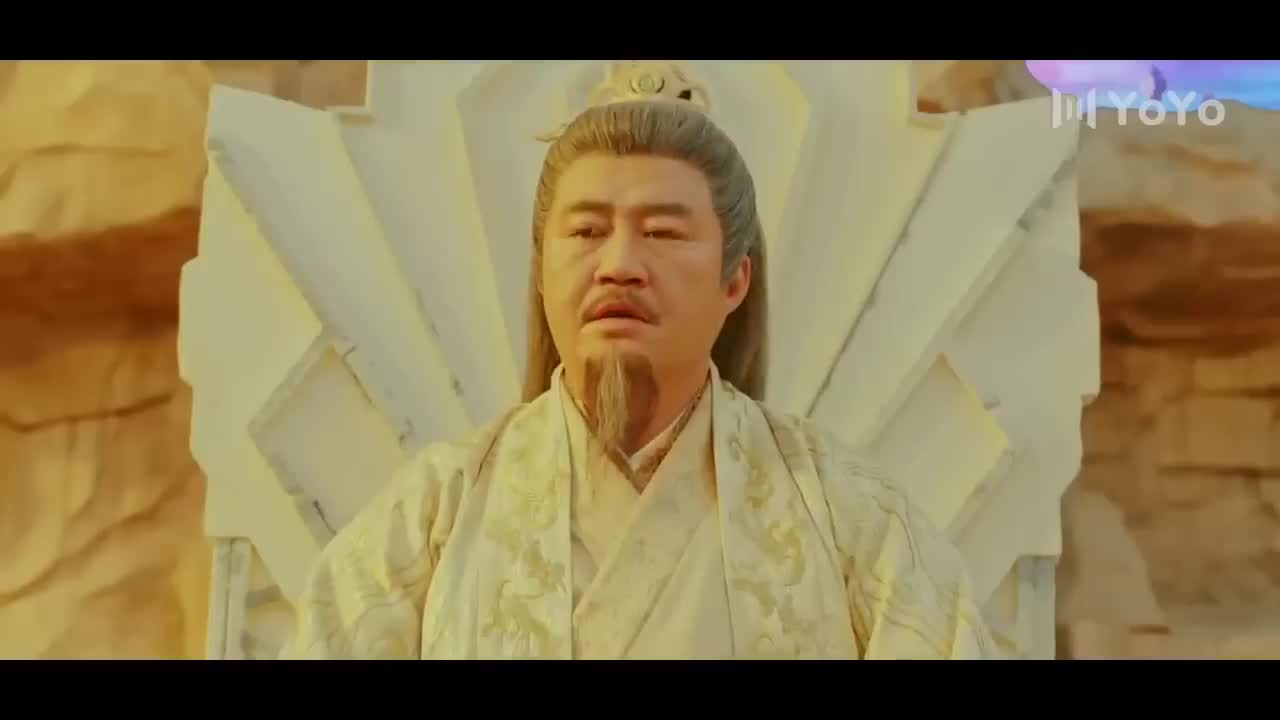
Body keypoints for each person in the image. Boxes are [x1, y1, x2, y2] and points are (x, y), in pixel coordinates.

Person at [279, 97, 1000, 660]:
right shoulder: (431, 516)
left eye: (662, 232)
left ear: (735, 281)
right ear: (542, 272)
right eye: (587, 231)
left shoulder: (852, 520)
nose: (620, 264)